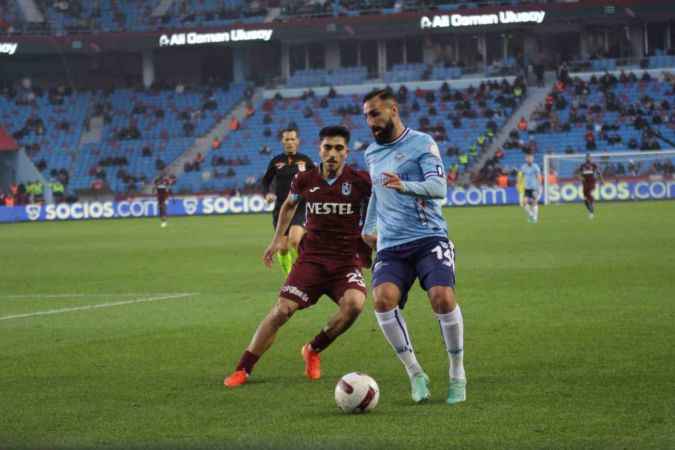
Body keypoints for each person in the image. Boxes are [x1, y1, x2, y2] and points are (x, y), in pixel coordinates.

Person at [224, 126, 373, 388]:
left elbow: (380, 209)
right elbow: (289, 205)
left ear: (346, 152)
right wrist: (275, 240)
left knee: (355, 305)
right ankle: (243, 369)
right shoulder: (306, 180)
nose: (332, 154)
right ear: (320, 149)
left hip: (345, 262)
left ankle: (313, 349)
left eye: (339, 148)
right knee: (281, 311)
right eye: (328, 147)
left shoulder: (360, 181)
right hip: (311, 260)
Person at [360, 88, 466, 405]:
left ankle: (457, 372)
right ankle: (415, 373)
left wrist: (403, 185)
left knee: (442, 297)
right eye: (366, 116)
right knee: (381, 299)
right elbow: (378, 193)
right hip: (392, 245)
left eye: (375, 113)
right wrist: (368, 228)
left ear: (393, 109)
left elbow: (438, 187)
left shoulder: (422, 143)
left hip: (429, 236)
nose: (370, 122)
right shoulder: (371, 153)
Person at [261, 128, 315, 274]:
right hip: (281, 208)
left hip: (300, 206)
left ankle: (307, 271)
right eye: (287, 139)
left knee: (295, 240)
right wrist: (267, 194)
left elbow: (317, 180)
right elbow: (265, 182)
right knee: (283, 247)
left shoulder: (306, 161)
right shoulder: (276, 161)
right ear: (282, 141)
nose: (290, 142)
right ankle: (290, 276)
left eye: (292, 139)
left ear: (297, 141)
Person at [578, 153, 604, 219]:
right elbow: (578, 174)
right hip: (585, 183)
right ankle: (590, 210)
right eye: (587, 157)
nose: (588, 158)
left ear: (591, 158)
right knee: (585, 199)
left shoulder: (593, 165)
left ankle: (591, 212)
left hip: (592, 182)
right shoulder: (582, 165)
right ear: (585, 158)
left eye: (589, 157)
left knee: (590, 194)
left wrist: (601, 180)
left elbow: (598, 173)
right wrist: (580, 177)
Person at [519, 153, 542, 223]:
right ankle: (531, 214)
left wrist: (539, 185)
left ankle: (535, 218)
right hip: (527, 188)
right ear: (526, 159)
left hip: (534, 187)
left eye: (531, 158)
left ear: (533, 159)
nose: (529, 159)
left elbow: (538, 176)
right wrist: (519, 182)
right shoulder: (523, 167)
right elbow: (521, 175)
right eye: (528, 158)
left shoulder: (535, 166)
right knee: (524, 202)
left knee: (534, 202)